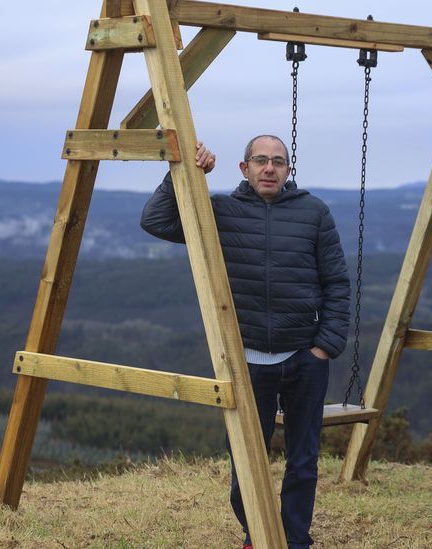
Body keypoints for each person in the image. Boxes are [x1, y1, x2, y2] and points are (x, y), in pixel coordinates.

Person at [140, 135, 350, 548]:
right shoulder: (221, 211)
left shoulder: (314, 213)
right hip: (247, 362)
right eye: (260, 161)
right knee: (244, 464)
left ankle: (294, 541)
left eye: (277, 162)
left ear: (288, 170)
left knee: (302, 461)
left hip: (305, 357)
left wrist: (324, 346)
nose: (269, 168)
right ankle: (256, 534)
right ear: (244, 168)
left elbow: (337, 283)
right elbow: (156, 221)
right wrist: (183, 172)